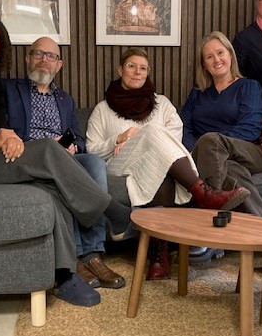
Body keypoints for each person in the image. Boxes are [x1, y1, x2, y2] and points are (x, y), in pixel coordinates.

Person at [0, 14, 133, 306]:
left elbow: (0, 126)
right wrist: (4, 140)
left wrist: (7, 136)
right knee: (48, 150)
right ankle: (112, 210)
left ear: (59, 64)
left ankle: (64, 275)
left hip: (16, 157)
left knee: (57, 184)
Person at [86, 48, 250, 280]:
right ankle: (203, 192)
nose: (137, 72)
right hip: (119, 166)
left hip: (154, 164)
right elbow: (92, 150)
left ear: (148, 73)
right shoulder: (102, 110)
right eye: (131, 66)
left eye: (143, 68)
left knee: (160, 162)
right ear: (120, 70)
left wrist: (142, 140)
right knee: (153, 131)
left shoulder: (161, 103)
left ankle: (159, 252)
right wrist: (120, 138)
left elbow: (172, 140)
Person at [4, 36, 126, 290]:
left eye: (51, 56)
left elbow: (79, 139)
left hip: (63, 157)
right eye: (38, 54)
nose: (44, 60)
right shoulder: (9, 90)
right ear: (28, 59)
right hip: (30, 157)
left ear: (59, 65)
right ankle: (76, 255)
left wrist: (73, 147)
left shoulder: (65, 100)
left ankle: (93, 253)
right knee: (59, 168)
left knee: (93, 162)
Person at [182, 31, 262, 219]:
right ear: (204, 65)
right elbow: (185, 127)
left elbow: (250, 129)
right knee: (232, 171)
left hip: (249, 152)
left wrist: (212, 144)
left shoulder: (249, 87)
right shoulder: (198, 93)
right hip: (215, 159)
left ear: (230, 54)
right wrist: (202, 152)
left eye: (220, 52)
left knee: (211, 141)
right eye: (209, 57)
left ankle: (207, 209)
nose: (216, 59)